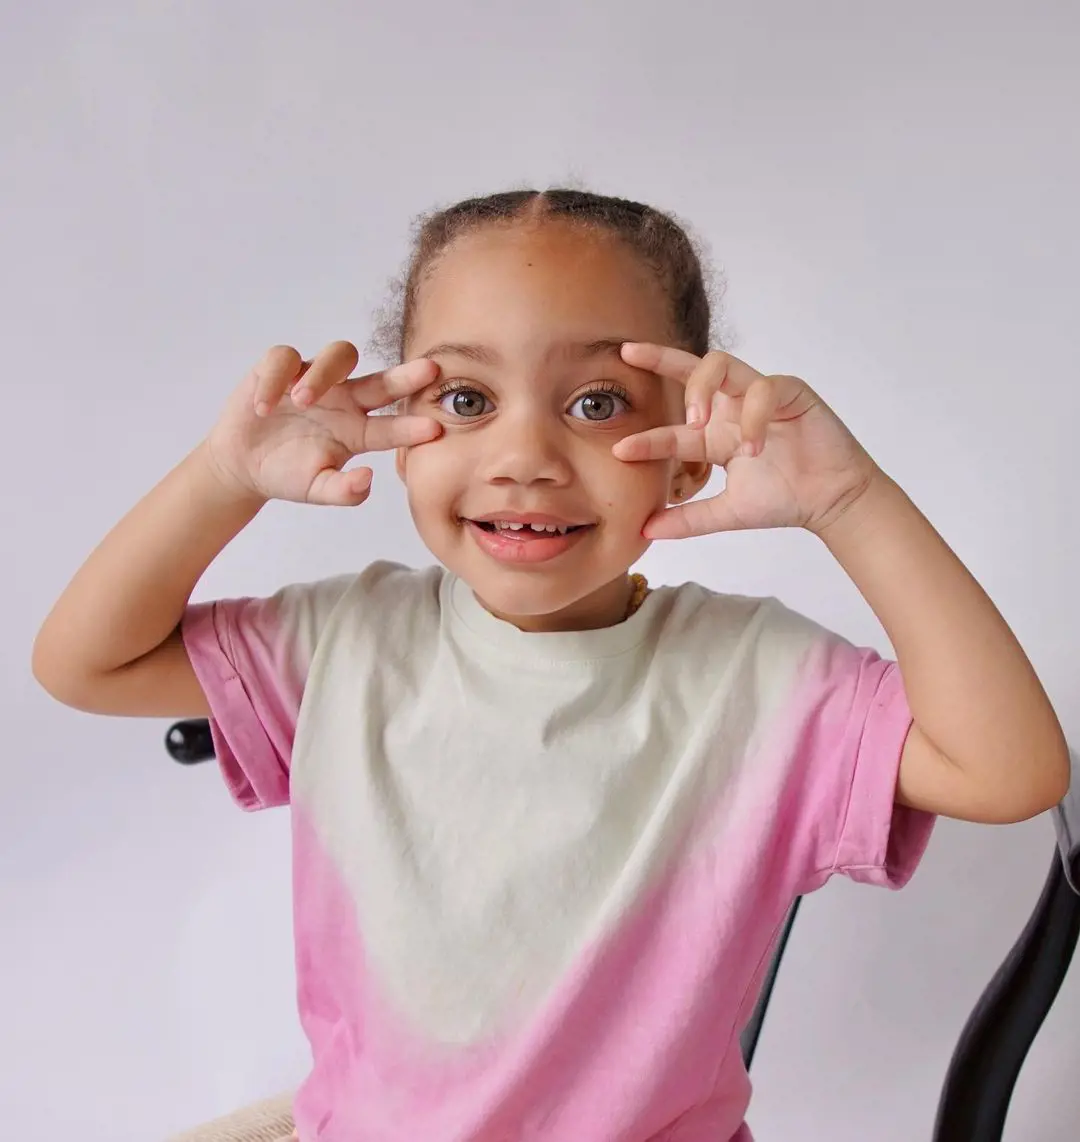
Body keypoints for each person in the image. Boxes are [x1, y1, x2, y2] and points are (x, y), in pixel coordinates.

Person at [33, 188, 1070, 1142]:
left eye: (597, 403)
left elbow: (1011, 768)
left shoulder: (756, 680)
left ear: (692, 449)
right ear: (396, 433)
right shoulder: (346, 642)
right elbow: (86, 664)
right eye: (471, 400)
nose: (523, 453)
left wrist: (851, 502)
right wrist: (224, 476)